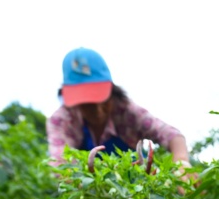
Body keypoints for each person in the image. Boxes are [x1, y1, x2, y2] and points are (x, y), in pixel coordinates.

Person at [46, 47, 190, 169]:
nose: (98, 111)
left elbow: (171, 135)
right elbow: (60, 165)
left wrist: (181, 162)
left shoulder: (126, 111)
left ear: (112, 91)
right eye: (88, 105)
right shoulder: (62, 120)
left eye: (103, 100)